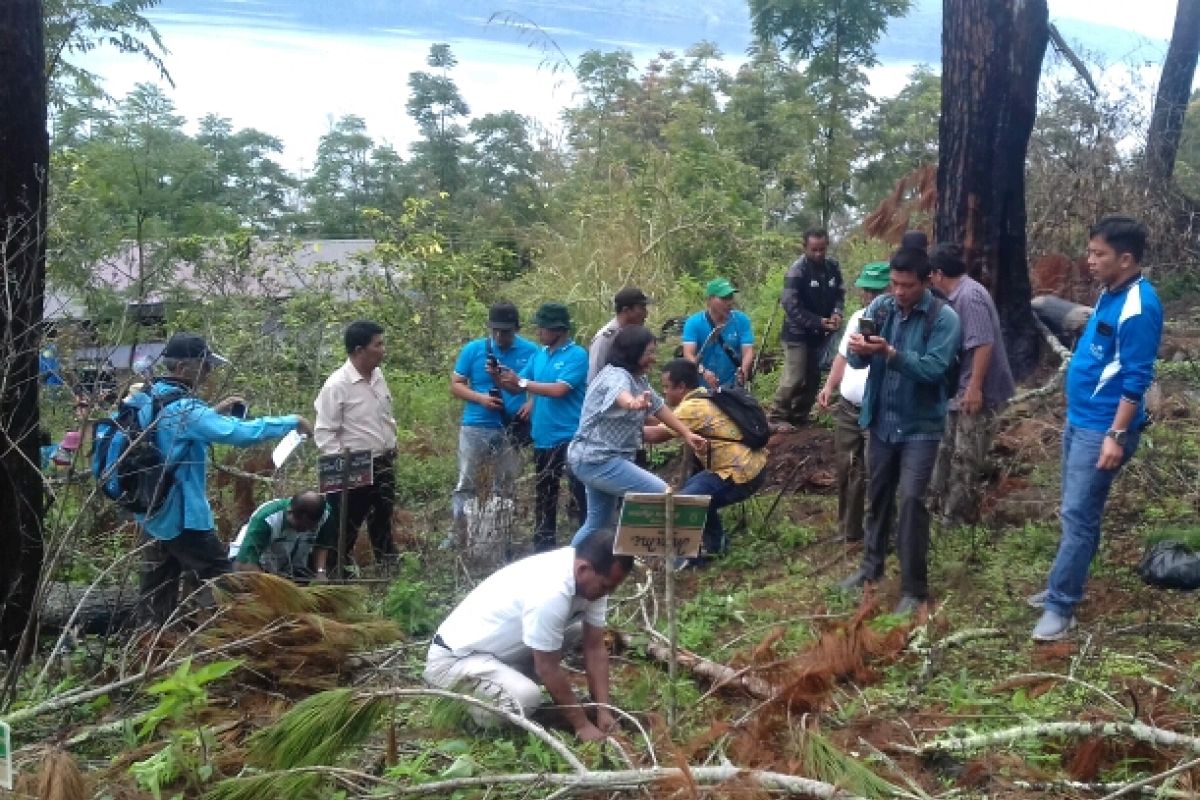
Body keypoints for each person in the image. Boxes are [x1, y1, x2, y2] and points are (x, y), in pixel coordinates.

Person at [1029, 216, 1163, 641]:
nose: (1089, 260)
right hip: (1081, 420)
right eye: (1090, 251)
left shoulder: (1140, 307)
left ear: (1125, 259)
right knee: (1074, 509)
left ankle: (1061, 606)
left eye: (1098, 253)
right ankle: (1063, 584)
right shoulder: (1111, 292)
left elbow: (1137, 378)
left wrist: (1117, 435)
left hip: (1102, 429)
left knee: (1079, 514)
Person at [136, 333, 312, 624]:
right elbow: (238, 434)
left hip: (151, 511)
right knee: (222, 580)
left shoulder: (148, 398)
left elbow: (169, 436)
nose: (209, 372)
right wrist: (290, 422)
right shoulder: (184, 409)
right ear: (182, 368)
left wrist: (213, 413)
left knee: (157, 590)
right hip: (182, 516)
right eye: (205, 366)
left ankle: (149, 647)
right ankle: (229, 639)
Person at [835, 248, 961, 615]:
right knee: (879, 497)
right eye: (894, 284)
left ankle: (914, 588)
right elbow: (857, 360)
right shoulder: (880, 309)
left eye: (907, 285)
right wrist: (862, 349)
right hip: (881, 420)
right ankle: (870, 570)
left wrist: (890, 353)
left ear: (926, 281)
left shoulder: (943, 318)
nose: (899, 292)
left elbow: (933, 370)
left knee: (911, 502)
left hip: (920, 426)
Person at [423, 529, 633, 741]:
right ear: (583, 569)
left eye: (614, 587)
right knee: (526, 698)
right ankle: (466, 710)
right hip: (454, 661)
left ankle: (509, 683)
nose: (609, 593)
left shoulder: (593, 578)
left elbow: (595, 648)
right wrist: (582, 725)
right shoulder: (551, 592)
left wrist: (603, 710)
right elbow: (546, 667)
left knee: (577, 632)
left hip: (494, 653)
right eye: (606, 586)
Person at [569, 326, 707, 546]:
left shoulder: (638, 380)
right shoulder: (616, 376)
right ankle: (671, 554)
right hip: (598, 459)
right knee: (663, 494)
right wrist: (633, 403)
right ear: (632, 353)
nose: (653, 359)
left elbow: (659, 407)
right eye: (648, 353)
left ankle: (571, 569)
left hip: (595, 458)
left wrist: (687, 433)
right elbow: (621, 395)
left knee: (597, 523)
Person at [646, 359, 768, 564]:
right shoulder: (706, 396)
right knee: (695, 489)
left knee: (685, 502)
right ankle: (716, 545)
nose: (664, 393)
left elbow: (657, 434)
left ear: (682, 386)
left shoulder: (691, 408)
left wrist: (621, 430)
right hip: (752, 466)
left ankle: (685, 560)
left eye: (667, 387)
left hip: (739, 474)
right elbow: (663, 420)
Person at [927, 243, 1016, 525]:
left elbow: (982, 344)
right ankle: (935, 507)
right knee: (946, 450)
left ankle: (957, 518)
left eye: (931, 275)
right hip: (960, 389)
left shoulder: (970, 296)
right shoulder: (957, 296)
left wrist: (975, 387)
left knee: (966, 456)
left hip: (977, 391)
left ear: (939, 274)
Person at [496, 303, 589, 552]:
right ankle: (543, 546)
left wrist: (523, 382)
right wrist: (501, 378)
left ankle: (586, 547)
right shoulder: (540, 355)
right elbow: (518, 386)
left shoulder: (577, 355)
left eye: (543, 327)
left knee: (579, 494)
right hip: (543, 437)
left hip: (569, 437)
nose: (538, 331)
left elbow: (559, 389)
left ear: (557, 329)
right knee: (545, 496)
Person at [313, 320, 399, 576]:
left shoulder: (378, 376)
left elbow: (384, 416)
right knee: (345, 524)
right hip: (352, 466)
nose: (383, 349)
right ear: (359, 349)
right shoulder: (336, 385)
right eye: (378, 344)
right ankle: (336, 573)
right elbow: (324, 432)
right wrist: (344, 468)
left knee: (382, 519)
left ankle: (388, 567)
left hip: (383, 461)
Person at [448, 302, 538, 541]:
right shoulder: (474, 350)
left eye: (506, 331)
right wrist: (480, 398)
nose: (500, 336)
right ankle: (460, 531)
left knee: (506, 482)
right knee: (466, 479)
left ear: (516, 329)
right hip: (476, 424)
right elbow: (456, 384)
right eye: (495, 330)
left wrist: (532, 403)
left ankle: (501, 531)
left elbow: (542, 383)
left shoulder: (532, 352)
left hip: (511, 426)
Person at [817, 261, 891, 542]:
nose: (870, 297)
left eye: (876, 291)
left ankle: (878, 532)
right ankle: (849, 529)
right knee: (847, 466)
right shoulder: (859, 318)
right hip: (849, 406)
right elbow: (843, 356)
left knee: (877, 470)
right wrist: (829, 386)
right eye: (866, 291)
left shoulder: (899, 322)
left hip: (880, 408)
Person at [770, 229, 845, 427]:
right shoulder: (797, 270)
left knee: (813, 377)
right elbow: (790, 305)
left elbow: (840, 293)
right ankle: (776, 416)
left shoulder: (832, 267)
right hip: (797, 333)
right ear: (805, 248)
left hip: (820, 334)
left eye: (822, 249)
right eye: (814, 250)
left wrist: (837, 313)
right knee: (794, 376)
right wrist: (818, 321)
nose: (818, 254)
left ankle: (799, 416)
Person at [229, 491, 329, 578]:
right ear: (289, 511)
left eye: (309, 527)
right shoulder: (266, 519)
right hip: (249, 562)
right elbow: (244, 565)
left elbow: (322, 543)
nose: (302, 531)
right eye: (300, 527)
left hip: (285, 565)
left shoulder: (325, 514)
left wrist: (321, 572)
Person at [681, 278, 755, 389]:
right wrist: (703, 371)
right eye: (724, 298)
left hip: (732, 388)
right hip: (701, 388)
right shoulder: (694, 322)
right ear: (710, 300)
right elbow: (688, 354)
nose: (729, 303)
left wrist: (743, 370)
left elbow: (748, 350)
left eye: (730, 298)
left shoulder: (741, 320)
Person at [588, 287, 652, 382]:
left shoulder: (635, 334)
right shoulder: (605, 338)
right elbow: (594, 376)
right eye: (641, 308)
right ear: (626, 310)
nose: (646, 314)